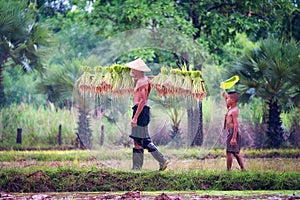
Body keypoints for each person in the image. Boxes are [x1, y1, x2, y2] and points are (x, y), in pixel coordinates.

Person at [125, 58, 169, 171]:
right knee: (137, 139)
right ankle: (136, 168)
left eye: (134, 69)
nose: (132, 71)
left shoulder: (143, 82)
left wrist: (135, 118)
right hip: (139, 110)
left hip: (141, 111)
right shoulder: (140, 80)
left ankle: (162, 159)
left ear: (139, 70)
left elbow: (142, 101)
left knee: (143, 140)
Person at [222, 91, 246, 171]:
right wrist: (225, 96)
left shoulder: (234, 111)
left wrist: (233, 138)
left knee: (230, 152)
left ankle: (229, 170)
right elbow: (227, 104)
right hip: (231, 132)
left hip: (233, 132)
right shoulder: (230, 108)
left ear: (232, 100)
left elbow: (236, 124)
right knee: (234, 152)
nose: (226, 100)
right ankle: (243, 169)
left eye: (228, 98)